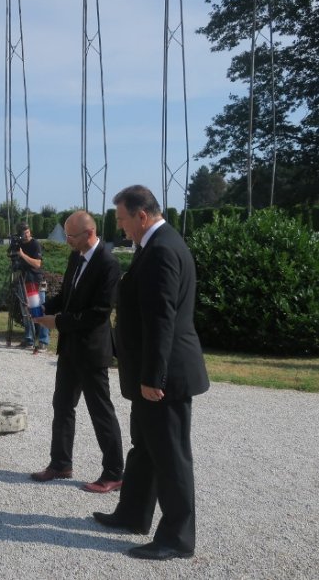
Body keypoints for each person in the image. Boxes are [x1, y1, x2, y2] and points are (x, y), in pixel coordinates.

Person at [93, 185, 209, 561]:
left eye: (124, 219)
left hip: (164, 376)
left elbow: (163, 320)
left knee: (171, 456)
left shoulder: (161, 250)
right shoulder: (156, 245)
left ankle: (177, 538)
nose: (122, 227)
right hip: (150, 371)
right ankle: (133, 514)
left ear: (142, 215)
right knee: (144, 447)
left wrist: (152, 378)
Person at [30, 211, 124, 493]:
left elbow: (98, 313)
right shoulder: (76, 257)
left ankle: (114, 472)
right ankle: (60, 462)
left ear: (89, 233)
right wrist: (44, 309)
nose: (67, 240)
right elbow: (66, 298)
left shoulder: (108, 264)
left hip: (92, 350)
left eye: (71, 236)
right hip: (70, 348)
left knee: (100, 411)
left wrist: (57, 322)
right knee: (62, 405)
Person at [12, 221, 49, 349]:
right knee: (26, 311)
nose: (26, 235)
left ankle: (43, 341)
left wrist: (22, 255)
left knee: (39, 311)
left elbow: (37, 264)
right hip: (24, 280)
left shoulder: (35, 244)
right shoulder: (19, 244)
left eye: (28, 232)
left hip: (36, 281)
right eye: (24, 233)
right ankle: (29, 340)